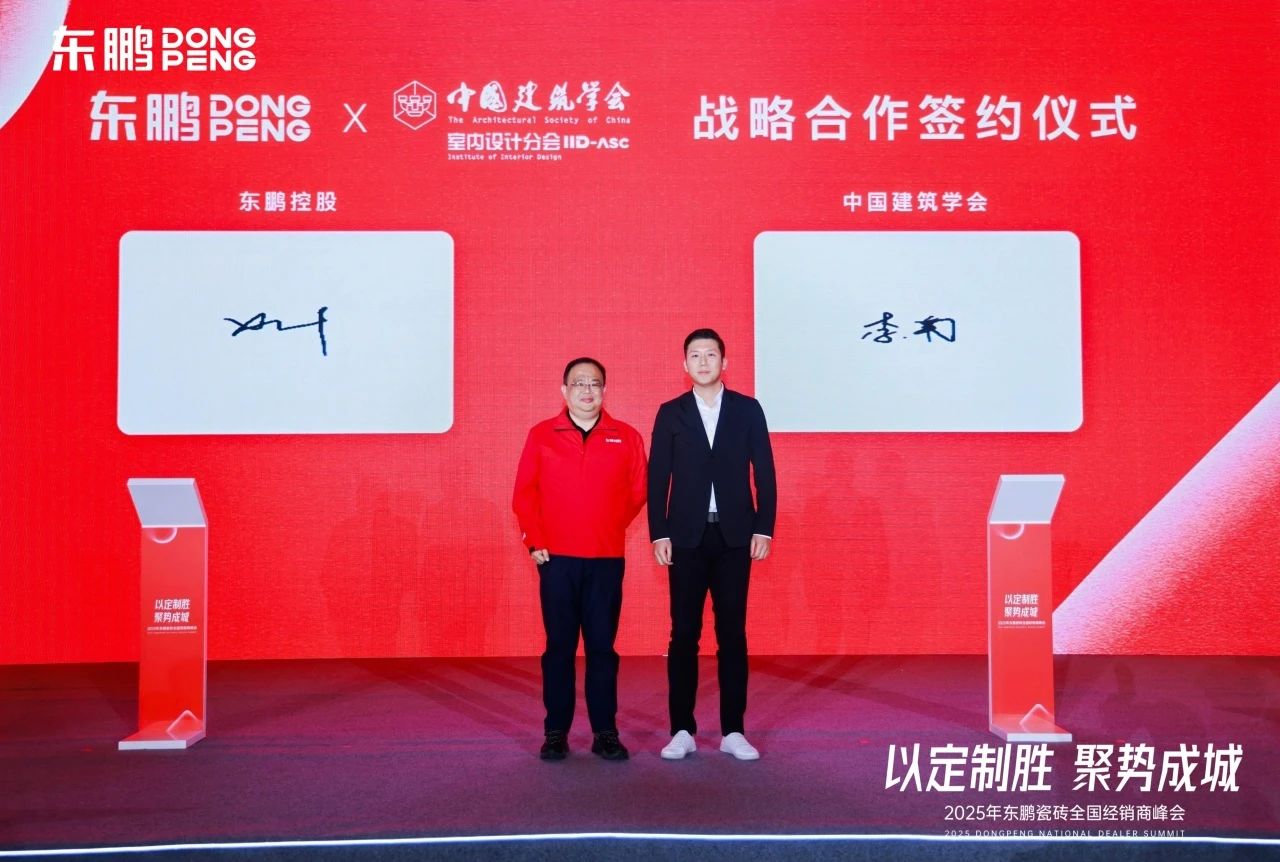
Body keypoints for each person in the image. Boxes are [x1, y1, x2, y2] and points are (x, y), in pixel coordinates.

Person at [649, 328, 777, 761]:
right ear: (684, 364)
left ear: (725, 362)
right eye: (695, 355)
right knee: (684, 634)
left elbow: (765, 471)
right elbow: (657, 477)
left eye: (710, 355)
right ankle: (681, 730)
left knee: (732, 633)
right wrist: (659, 532)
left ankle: (733, 731)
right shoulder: (671, 413)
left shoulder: (747, 409)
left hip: (734, 537)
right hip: (685, 538)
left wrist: (764, 528)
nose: (703, 362)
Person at [513, 357, 647, 761]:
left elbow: (638, 492)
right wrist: (536, 540)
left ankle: (605, 732)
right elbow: (524, 493)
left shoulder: (626, 436)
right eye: (579, 383)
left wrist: (605, 524)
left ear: (605, 390)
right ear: (564, 391)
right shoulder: (542, 435)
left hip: (606, 558)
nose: (587, 390)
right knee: (559, 648)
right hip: (556, 559)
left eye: (595, 383)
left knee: (602, 648)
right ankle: (556, 732)